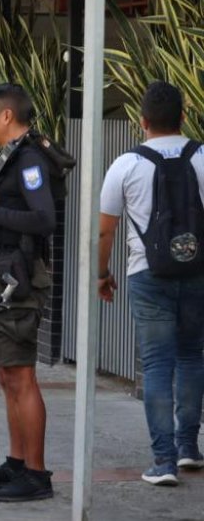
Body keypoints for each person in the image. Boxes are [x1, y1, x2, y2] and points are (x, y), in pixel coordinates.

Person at [98, 80, 204, 486]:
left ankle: (163, 462)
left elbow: (105, 230)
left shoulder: (126, 164)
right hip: (197, 272)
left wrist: (101, 274)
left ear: (142, 122)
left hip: (147, 274)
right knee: (192, 356)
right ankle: (188, 447)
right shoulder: (201, 156)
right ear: (183, 117)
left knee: (158, 364)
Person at [0, 83, 56, 502]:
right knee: (7, 374)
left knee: (21, 375)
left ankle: (36, 474)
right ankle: (17, 462)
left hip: (21, 280)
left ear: (7, 116)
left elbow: (44, 219)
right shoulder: (12, 157)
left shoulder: (30, 160)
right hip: (3, 275)